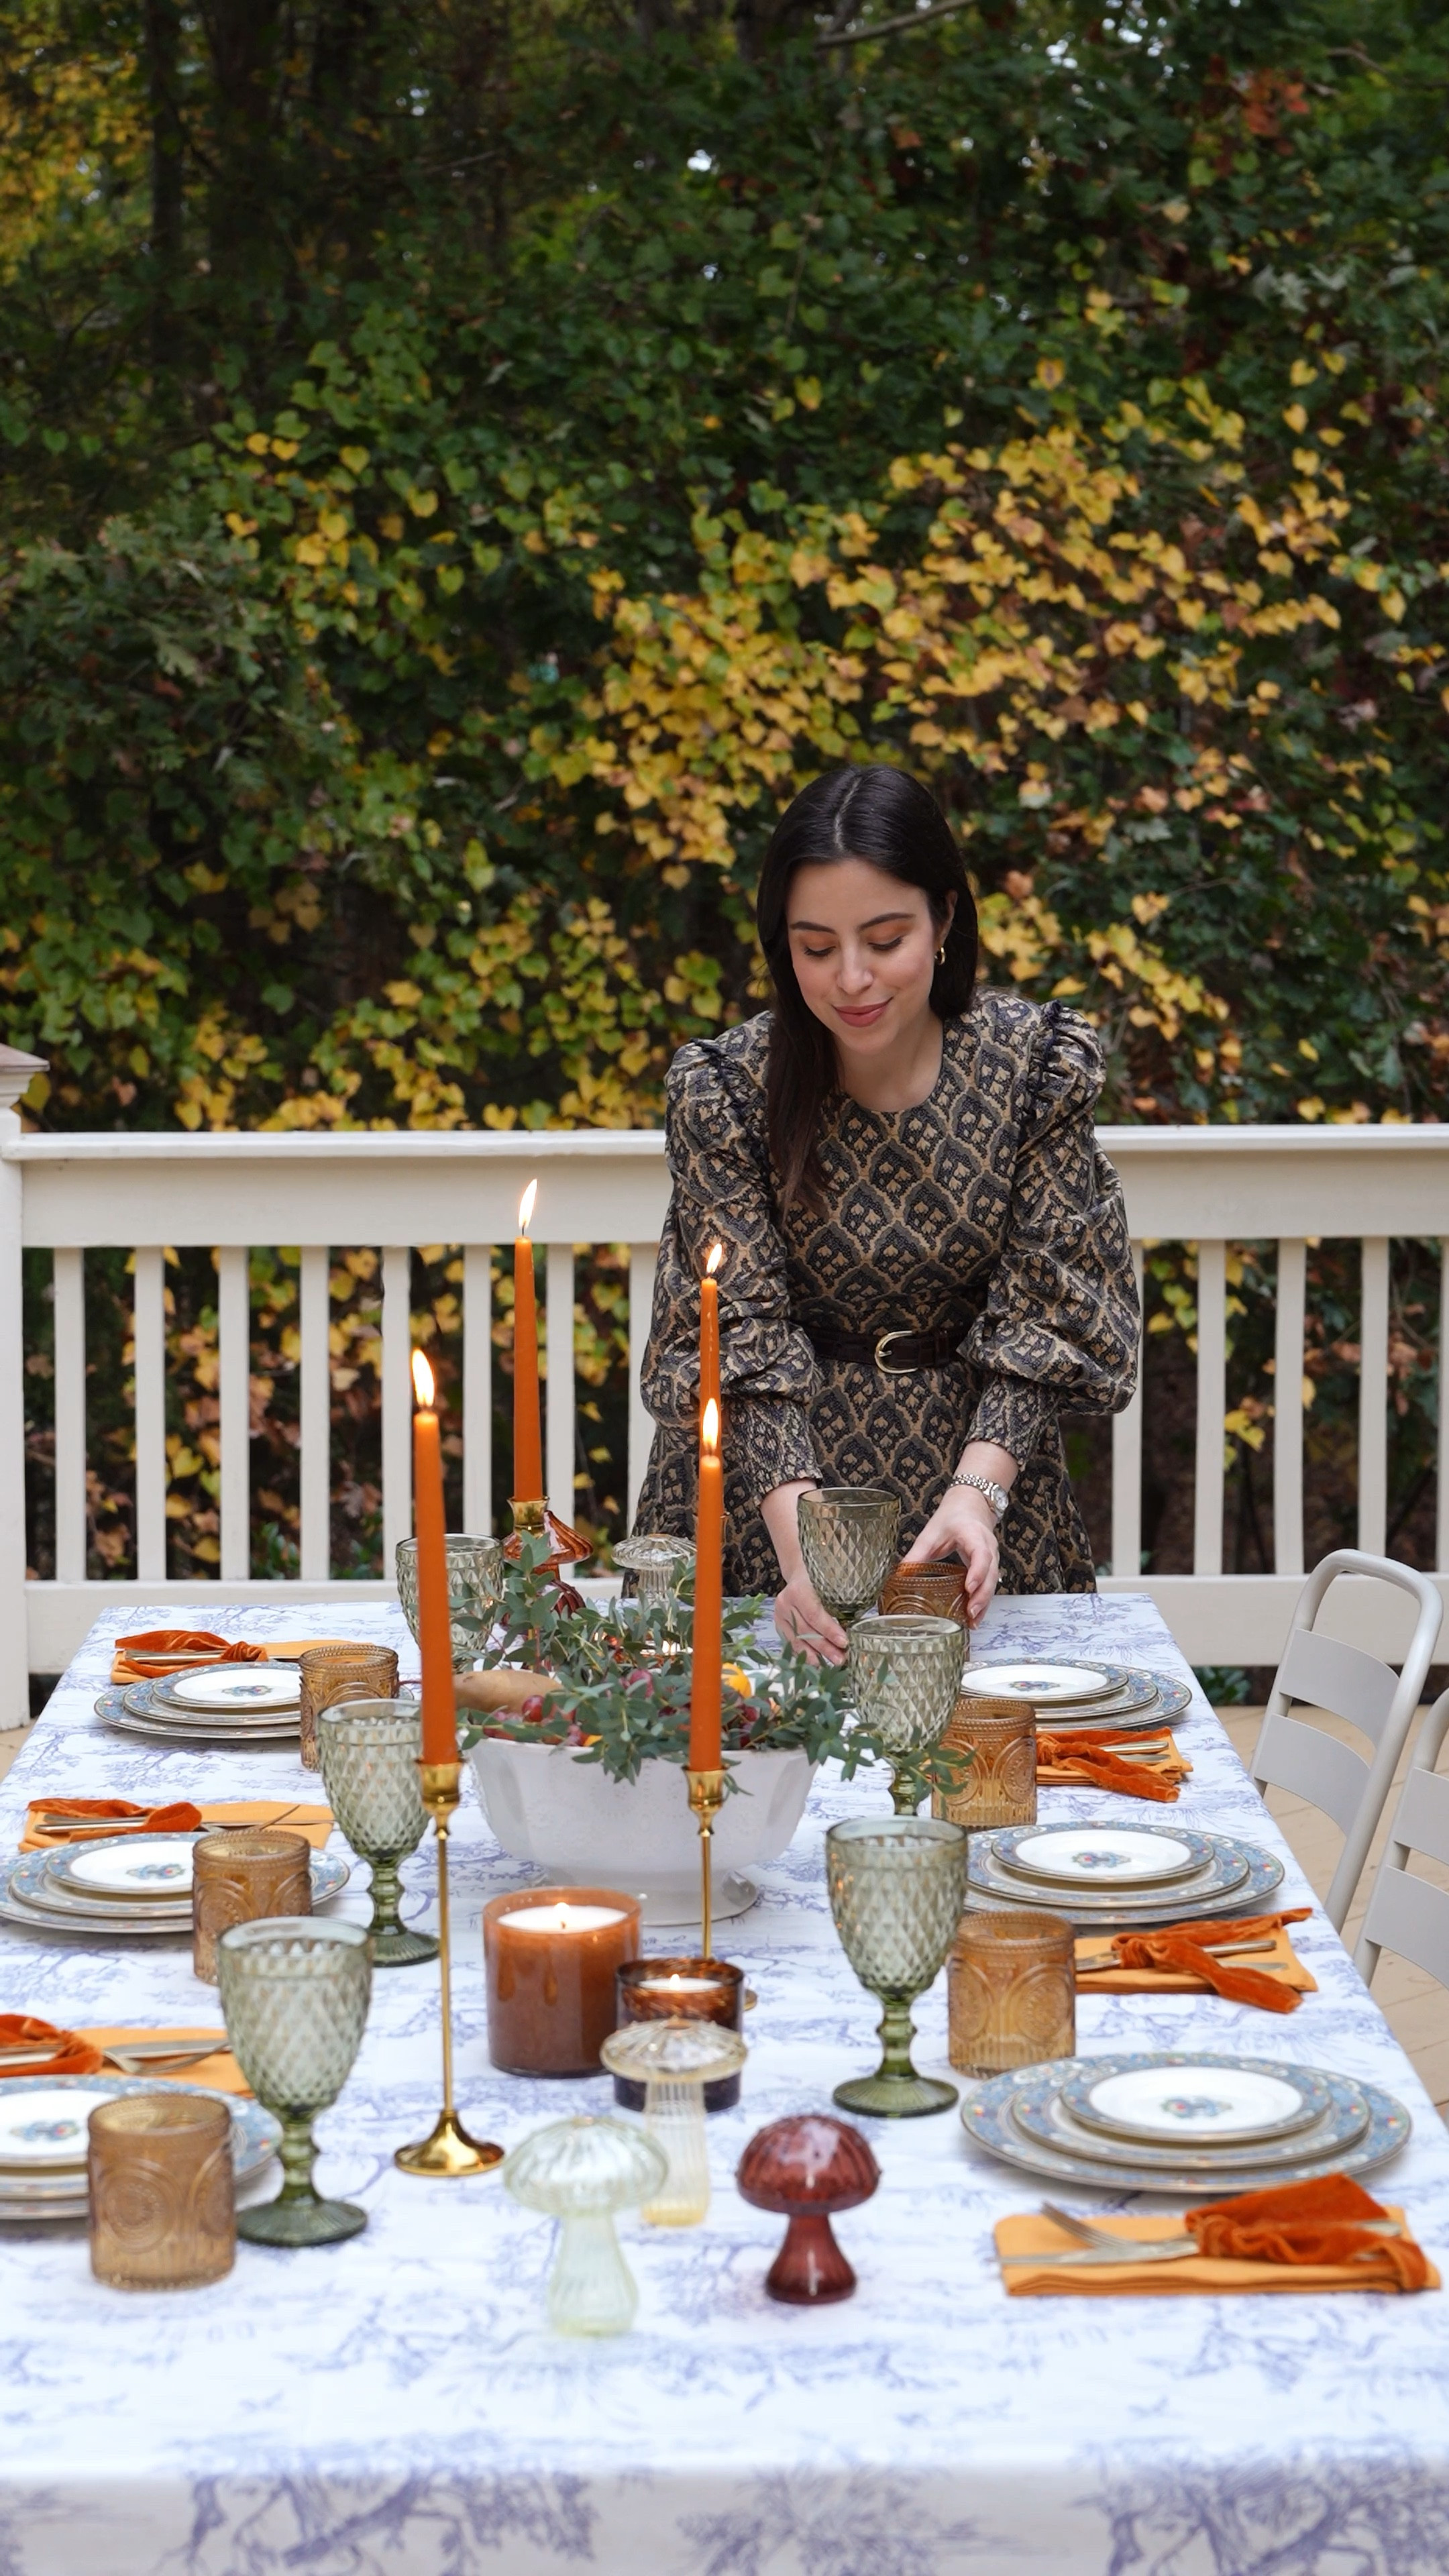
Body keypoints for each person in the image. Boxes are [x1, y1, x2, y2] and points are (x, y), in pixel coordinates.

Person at [633, 763, 1139, 1660]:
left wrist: (978, 1495)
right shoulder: (726, 1089)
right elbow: (738, 1330)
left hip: (974, 1493)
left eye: (885, 938)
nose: (852, 979)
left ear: (945, 919)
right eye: (815, 947)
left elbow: (1045, 1314)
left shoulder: (1035, 1070)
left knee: (993, 1777)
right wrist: (808, 1554)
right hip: (769, 1503)